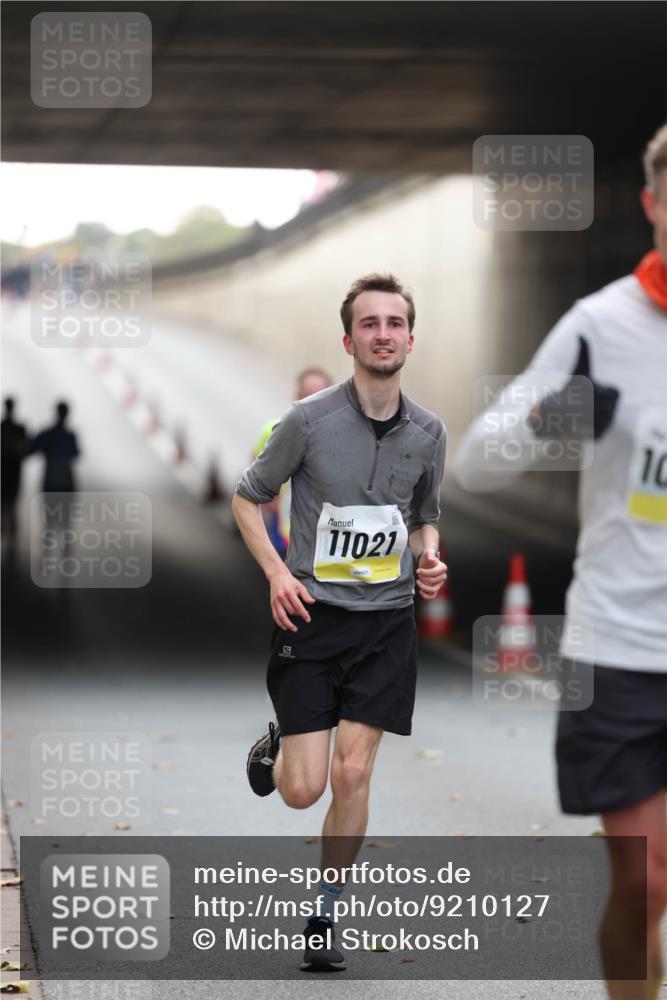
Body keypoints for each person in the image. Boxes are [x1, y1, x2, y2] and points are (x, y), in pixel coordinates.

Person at [454, 124, 667, 1000]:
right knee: (645, 882)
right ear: (653, 204)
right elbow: (474, 463)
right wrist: (559, 415)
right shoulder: (600, 326)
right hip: (619, 647)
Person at [232, 273, 447, 971]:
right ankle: (279, 743)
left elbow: (424, 515)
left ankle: (325, 914)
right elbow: (246, 497)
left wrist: (430, 559)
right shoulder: (306, 420)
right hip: (313, 618)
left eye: (394, 323)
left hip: (385, 624)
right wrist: (274, 574)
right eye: (369, 323)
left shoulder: (428, 432)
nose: (382, 334)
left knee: (353, 777)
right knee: (303, 791)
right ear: (349, 338)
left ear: (410, 337)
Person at [253, 368, 333, 555]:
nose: (313, 403)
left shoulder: (341, 439)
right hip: (283, 531)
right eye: (307, 396)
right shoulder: (273, 430)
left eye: (319, 396)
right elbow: (253, 474)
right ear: (296, 395)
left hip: (322, 539)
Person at [31, 401, 81, 493]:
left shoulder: (48, 434)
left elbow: (31, 447)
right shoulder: (69, 436)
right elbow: (76, 453)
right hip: (62, 481)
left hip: (55, 480)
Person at [1, 398, 28, 558]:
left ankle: (8, 538)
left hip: (4, 472)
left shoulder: (2, 428)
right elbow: (25, 450)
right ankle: (10, 540)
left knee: (6, 506)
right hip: (13, 472)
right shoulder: (19, 429)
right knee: (11, 506)